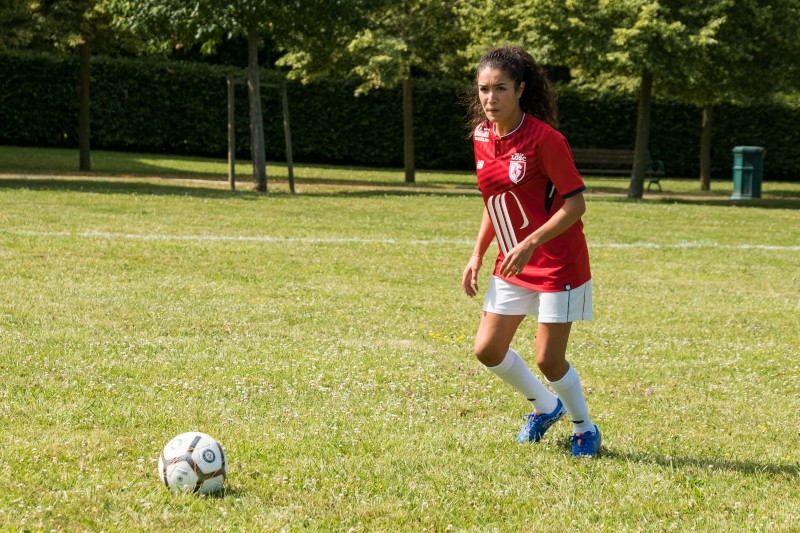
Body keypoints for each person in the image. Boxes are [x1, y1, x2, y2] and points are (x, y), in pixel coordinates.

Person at [461, 46, 601, 457]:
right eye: (484, 89)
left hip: (559, 262)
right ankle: (545, 407)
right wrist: (478, 253)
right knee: (487, 349)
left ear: (520, 89)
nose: (490, 98)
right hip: (513, 262)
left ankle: (584, 428)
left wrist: (530, 242)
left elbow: (575, 204)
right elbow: (495, 202)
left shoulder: (546, 140)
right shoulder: (481, 137)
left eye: (500, 88)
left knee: (549, 360)